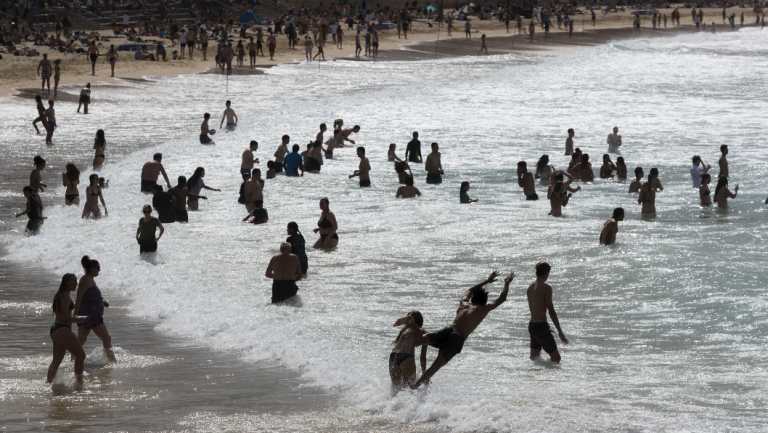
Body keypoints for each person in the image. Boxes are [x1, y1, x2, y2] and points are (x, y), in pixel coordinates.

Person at [412, 271, 513, 388]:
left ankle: (402, 359)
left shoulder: (464, 304)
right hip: (457, 339)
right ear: (484, 301)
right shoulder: (483, 309)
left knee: (421, 340)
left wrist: (487, 281)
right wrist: (507, 284)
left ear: (473, 298)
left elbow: (470, 290)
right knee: (435, 366)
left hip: (448, 331)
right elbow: (502, 299)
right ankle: (415, 386)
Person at [75, 256, 116, 363]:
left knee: (81, 339)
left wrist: (102, 302)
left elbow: (91, 296)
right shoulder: (85, 280)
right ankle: (112, 361)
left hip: (91, 315)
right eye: (98, 268)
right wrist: (75, 315)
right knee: (106, 338)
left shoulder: (90, 279)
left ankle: (73, 359)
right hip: (90, 316)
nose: (99, 270)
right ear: (92, 268)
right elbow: (79, 297)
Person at [46, 273, 85, 387]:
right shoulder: (63, 296)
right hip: (62, 329)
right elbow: (65, 318)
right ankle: (79, 384)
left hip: (57, 330)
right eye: (73, 281)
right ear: (66, 282)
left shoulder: (62, 294)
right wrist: (82, 319)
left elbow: (65, 315)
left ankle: (48, 384)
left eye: (76, 281)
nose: (76, 283)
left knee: (56, 361)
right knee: (81, 355)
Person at [527, 262, 568, 363]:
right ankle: (549, 373)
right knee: (556, 358)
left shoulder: (530, 288)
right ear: (546, 273)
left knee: (534, 357)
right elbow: (551, 311)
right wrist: (560, 331)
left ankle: (535, 373)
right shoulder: (546, 288)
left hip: (532, 326)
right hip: (541, 326)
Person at [390, 311, 426, 392]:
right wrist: (424, 374)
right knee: (412, 388)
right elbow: (423, 357)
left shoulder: (403, 332)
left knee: (395, 390)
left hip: (393, 356)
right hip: (406, 356)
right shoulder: (421, 331)